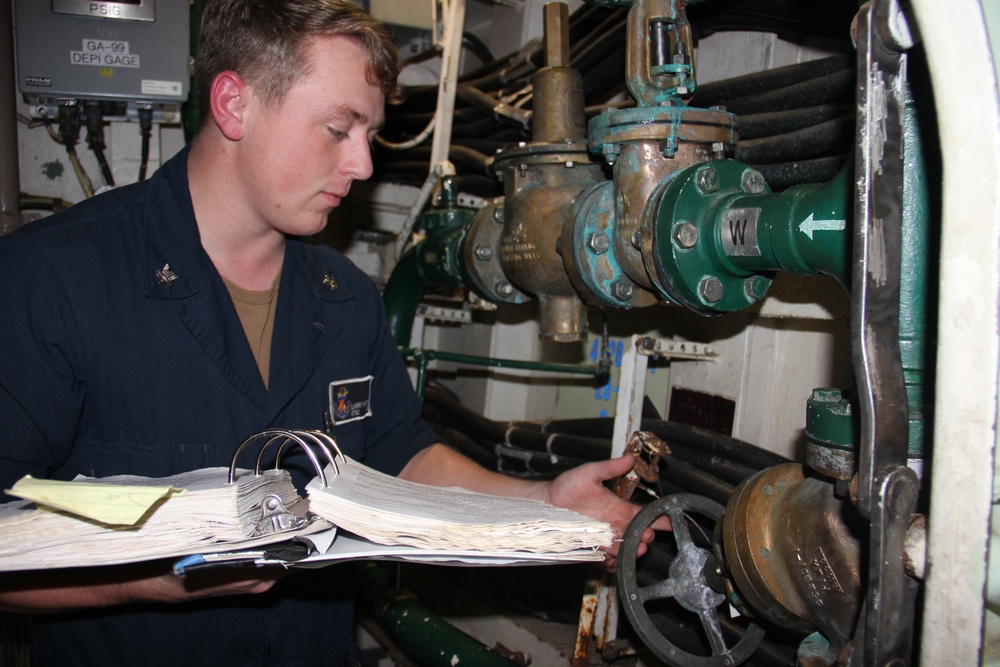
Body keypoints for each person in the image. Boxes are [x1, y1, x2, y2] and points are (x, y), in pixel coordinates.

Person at [0, 0, 657, 664]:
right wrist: (153, 581)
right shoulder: (54, 281)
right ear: (234, 104)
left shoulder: (346, 299)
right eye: (339, 128)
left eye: (368, 133)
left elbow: (402, 457)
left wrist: (542, 502)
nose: (365, 165)